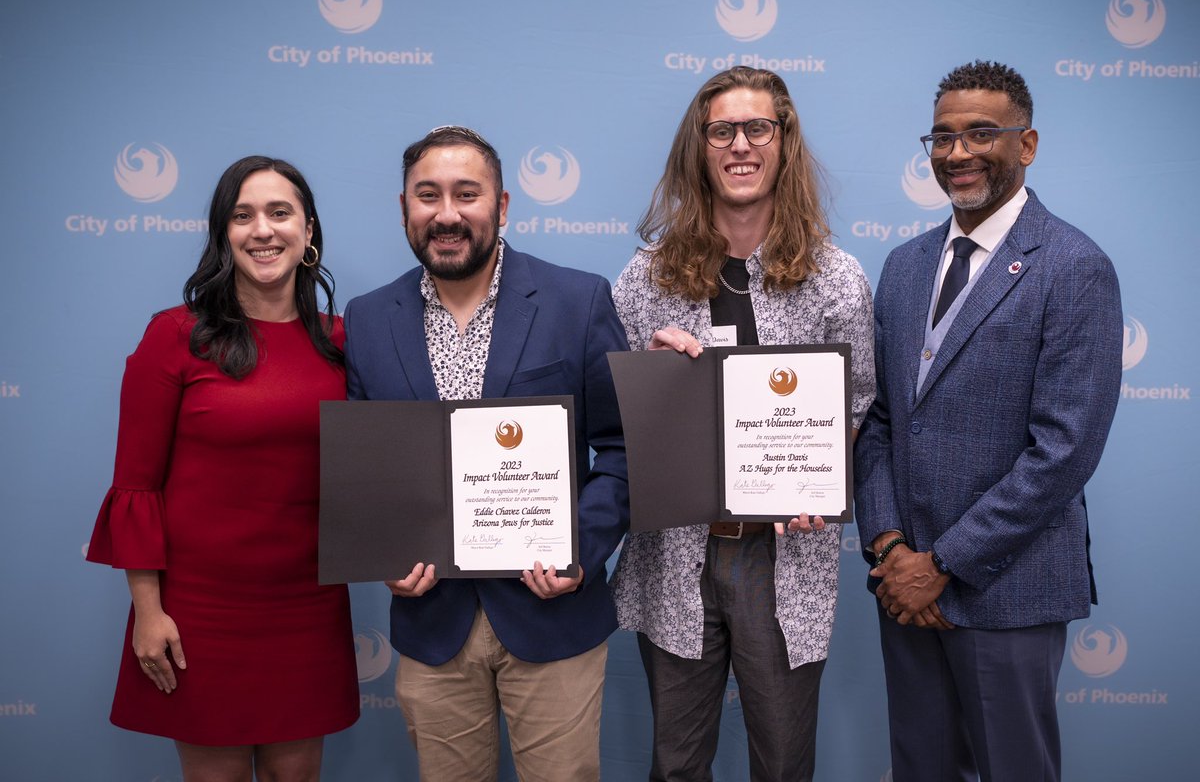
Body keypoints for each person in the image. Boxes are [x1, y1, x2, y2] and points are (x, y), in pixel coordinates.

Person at [854, 60, 1123, 781]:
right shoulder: (904, 266)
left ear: (1027, 145)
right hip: (903, 589)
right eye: (942, 137)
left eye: (981, 134)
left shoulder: (1073, 267)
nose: (958, 154)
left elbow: (1062, 452)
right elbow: (877, 420)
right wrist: (890, 550)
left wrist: (943, 565)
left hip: (1007, 590)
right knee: (920, 768)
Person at [609, 66, 875, 782]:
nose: (740, 145)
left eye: (758, 127)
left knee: (784, 764)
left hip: (785, 558)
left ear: (784, 142)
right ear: (698, 147)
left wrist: (819, 480)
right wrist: (655, 378)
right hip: (677, 556)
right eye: (721, 129)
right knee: (675, 764)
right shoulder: (644, 280)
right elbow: (620, 425)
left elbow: (855, 411)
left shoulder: (836, 278)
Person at [342, 126, 629, 782]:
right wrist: (384, 549)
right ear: (404, 209)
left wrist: (578, 553)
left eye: (467, 194)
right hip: (431, 623)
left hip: (551, 614)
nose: (446, 213)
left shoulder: (577, 301)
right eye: (428, 196)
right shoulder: (366, 319)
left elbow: (620, 448)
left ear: (501, 207)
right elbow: (366, 472)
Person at [87, 156, 359, 780]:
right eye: (243, 216)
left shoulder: (343, 342)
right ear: (223, 235)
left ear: (308, 231)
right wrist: (148, 612)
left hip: (307, 606)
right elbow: (136, 484)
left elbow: (378, 469)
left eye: (279, 212)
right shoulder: (175, 336)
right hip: (200, 612)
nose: (262, 230)